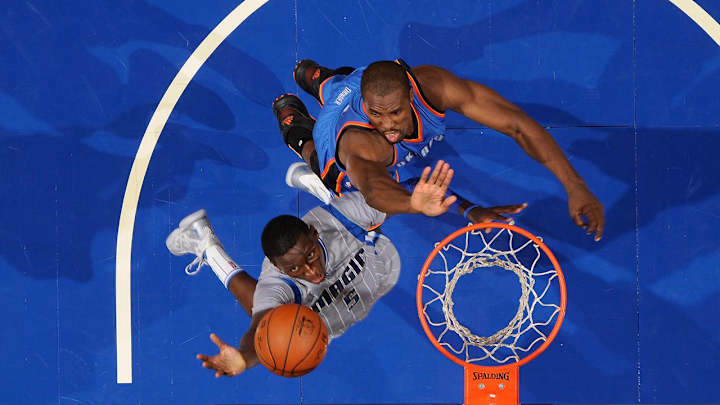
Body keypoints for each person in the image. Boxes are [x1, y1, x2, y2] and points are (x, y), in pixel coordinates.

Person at [165, 161, 455, 377]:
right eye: (295, 268)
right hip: (325, 305)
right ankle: (209, 247)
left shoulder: (342, 219)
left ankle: (321, 184)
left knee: (364, 208)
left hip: (373, 258)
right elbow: (260, 328)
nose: (312, 272)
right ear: (277, 267)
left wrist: (415, 204)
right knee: (268, 312)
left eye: (311, 256)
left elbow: (400, 193)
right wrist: (245, 357)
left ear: (314, 236)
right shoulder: (276, 282)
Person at [272, 58, 604, 240]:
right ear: (367, 108)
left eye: (395, 113)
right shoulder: (362, 146)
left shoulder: (432, 85)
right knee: (323, 165)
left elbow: (516, 124)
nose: (387, 126)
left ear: (410, 95)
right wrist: (411, 203)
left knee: (347, 82)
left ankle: (319, 79)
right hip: (333, 142)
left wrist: (575, 185)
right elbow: (374, 188)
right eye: (377, 115)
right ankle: (296, 128)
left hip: (356, 85)